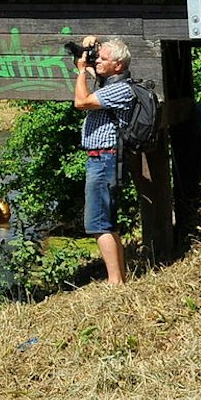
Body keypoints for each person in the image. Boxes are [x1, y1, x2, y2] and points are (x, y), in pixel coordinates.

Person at [70, 36, 136, 286]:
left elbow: (81, 102)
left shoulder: (120, 89)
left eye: (103, 59)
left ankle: (114, 282)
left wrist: (80, 74)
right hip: (104, 159)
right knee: (107, 222)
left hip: (104, 160)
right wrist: (92, 44)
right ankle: (119, 278)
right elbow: (92, 62)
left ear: (118, 65)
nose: (97, 61)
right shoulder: (111, 84)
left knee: (98, 223)